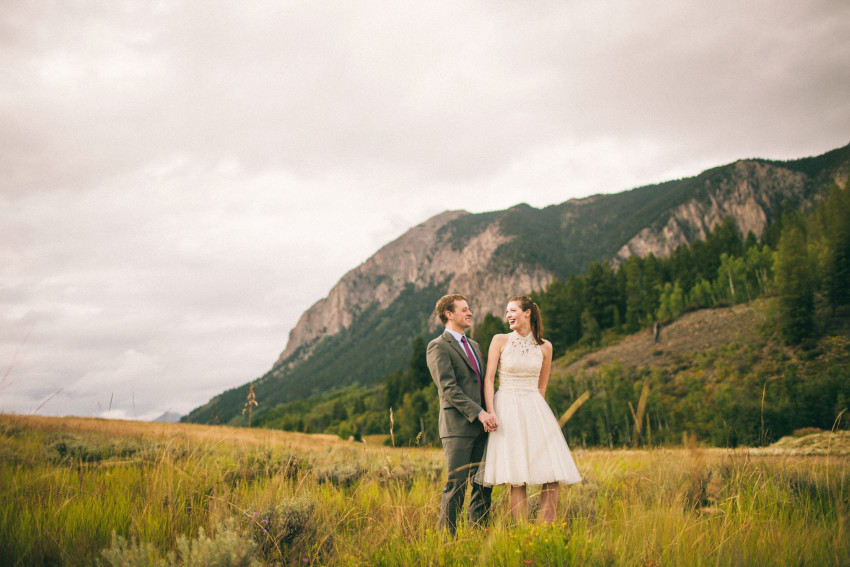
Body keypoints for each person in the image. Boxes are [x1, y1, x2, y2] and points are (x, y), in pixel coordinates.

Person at [475, 295, 581, 523]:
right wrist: (491, 412)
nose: (508, 315)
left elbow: (542, 386)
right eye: (506, 312)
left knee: (552, 474)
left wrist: (536, 416)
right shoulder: (500, 340)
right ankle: (523, 534)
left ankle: (544, 534)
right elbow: (489, 379)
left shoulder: (545, 347)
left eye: (512, 310)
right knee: (517, 477)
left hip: (535, 410)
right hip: (506, 408)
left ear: (527, 313)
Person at [426, 294, 499, 535]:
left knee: (483, 484)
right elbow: (448, 389)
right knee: (456, 486)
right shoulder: (438, 346)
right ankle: (448, 541)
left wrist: (490, 412)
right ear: (449, 314)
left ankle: (478, 534)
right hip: (457, 428)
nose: (469, 313)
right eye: (464, 309)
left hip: (483, 427)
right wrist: (479, 413)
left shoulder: (475, 345)